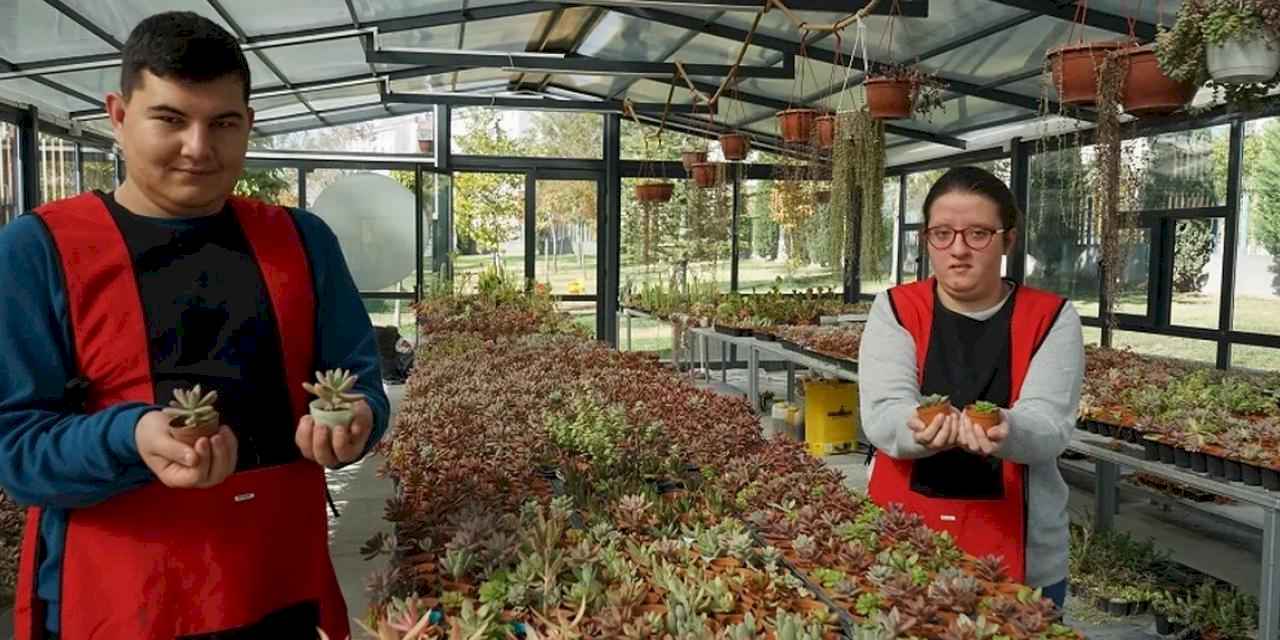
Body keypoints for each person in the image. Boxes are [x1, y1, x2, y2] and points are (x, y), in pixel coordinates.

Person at [0, 11, 390, 639]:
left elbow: (359, 378)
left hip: (277, 585)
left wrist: (360, 421)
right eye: (171, 119)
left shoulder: (301, 241)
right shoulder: (40, 249)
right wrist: (131, 437)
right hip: (120, 599)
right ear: (118, 115)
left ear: (249, 125)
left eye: (224, 123)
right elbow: (13, 446)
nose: (199, 148)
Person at [858, 166, 1084, 609]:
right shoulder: (898, 309)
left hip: (1021, 551)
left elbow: (1049, 424)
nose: (958, 250)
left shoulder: (1051, 318)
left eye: (978, 233)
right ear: (927, 240)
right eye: (942, 233)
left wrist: (1006, 428)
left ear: (1008, 240)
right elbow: (884, 411)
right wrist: (916, 428)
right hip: (903, 539)